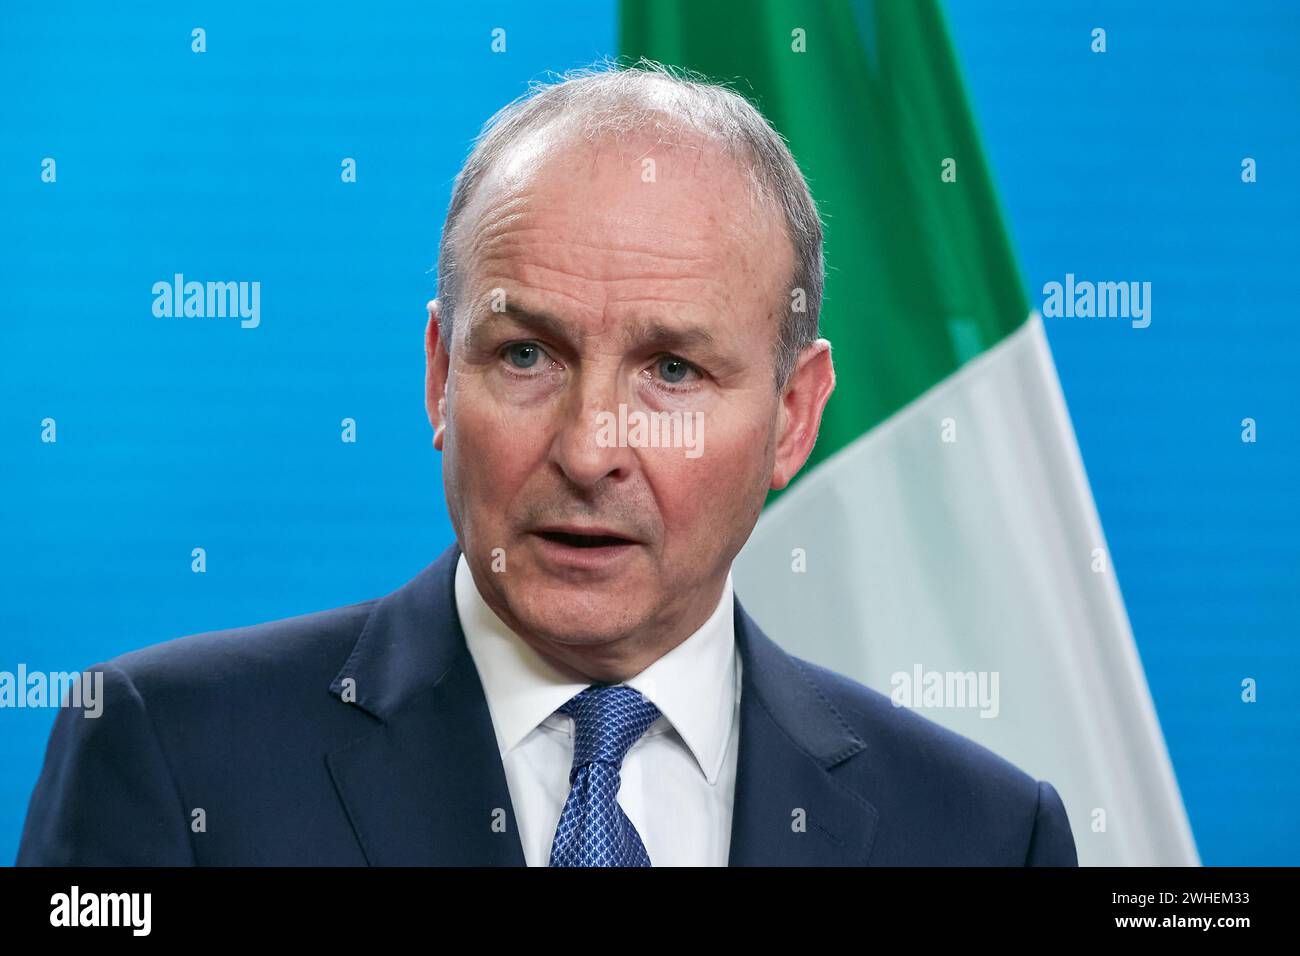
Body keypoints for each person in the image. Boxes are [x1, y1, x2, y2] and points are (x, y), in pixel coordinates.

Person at [17, 61, 1077, 866]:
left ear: (792, 417)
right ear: (439, 375)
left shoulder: (985, 834)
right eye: (525, 354)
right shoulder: (168, 754)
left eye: (671, 368)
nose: (586, 449)